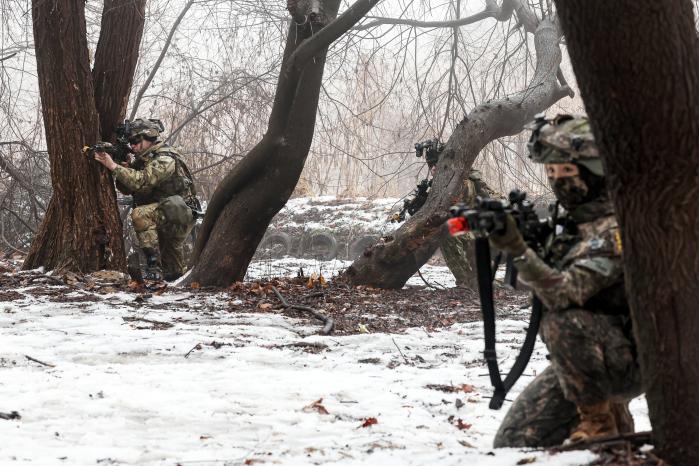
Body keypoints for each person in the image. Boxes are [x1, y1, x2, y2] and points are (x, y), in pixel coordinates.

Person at [488, 114, 642, 447]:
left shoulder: (615, 228)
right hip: (587, 361)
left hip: (632, 358)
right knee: (516, 439)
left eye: (568, 173)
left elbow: (563, 293)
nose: (559, 182)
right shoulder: (570, 223)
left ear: (594, 173)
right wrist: (523, 245)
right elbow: (527, 284)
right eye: (553, 173)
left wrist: (518, 251)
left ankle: (600, 424)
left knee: (562, 320)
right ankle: (616, 422)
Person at [94, 118, 199, 281]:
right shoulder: (144, 159)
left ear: (150, 138)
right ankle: (169, 282)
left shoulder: (165, 157)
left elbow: (141, 181)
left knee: (140, 214)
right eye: (131, 142)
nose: (133, 146)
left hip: (179, 214)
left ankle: (153, 267)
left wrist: (113, 166)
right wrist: (126, 168)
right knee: (173, 272)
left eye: (136, 141)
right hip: (166, 212)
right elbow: (128, 188)